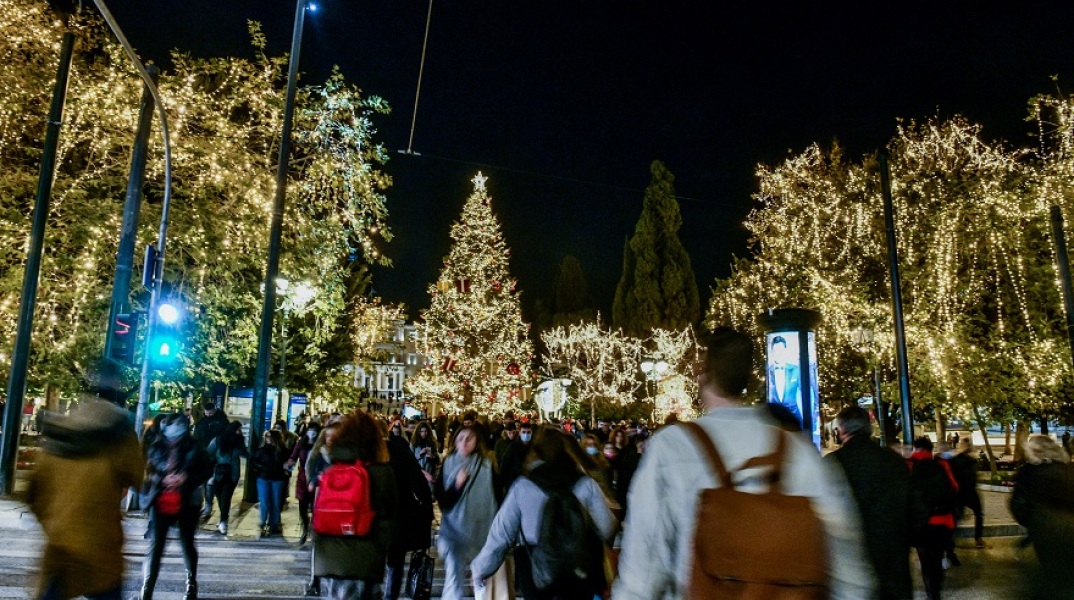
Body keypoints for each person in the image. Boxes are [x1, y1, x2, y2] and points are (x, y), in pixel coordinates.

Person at [614, 327, 873, 599]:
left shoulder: (671, 447)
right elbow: (849, 567)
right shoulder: (799, 451)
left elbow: (642, 567)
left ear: (702, 373)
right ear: (749, 377)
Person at [472, 427, 617, 600]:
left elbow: (501, 534)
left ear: (535, 452)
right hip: (578, 565)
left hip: (534, 567)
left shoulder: (523, 486)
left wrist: (480, 569)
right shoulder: (585, 484)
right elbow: (607, 527)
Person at [28, 399, 144, 600]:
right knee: (106, 590)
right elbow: (138, 477)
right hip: (100, 547)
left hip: (60, 547)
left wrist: (53, 522)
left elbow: (33, 496)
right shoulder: (114, 450)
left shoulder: (54, 448)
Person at [826, 406, 912, 600]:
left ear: (841, 431)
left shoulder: (833, 464)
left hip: (852, 567)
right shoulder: (894, 461)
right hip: (893, 564)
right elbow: (912, 509)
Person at [312, 411, 397, 599]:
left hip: (328, 561)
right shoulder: (381, 472)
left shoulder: (332, 469)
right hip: (365, 560)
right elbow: (391, 514)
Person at [140, 413, 214, 600]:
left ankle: (191, 584)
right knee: (156, 545)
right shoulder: (157, 445)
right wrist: (162, 478)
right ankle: (147, 588)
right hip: (161, 499)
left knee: (187, 542)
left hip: (188, 500)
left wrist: (186, 477)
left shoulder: (195, 446)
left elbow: (207, 469)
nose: (173, 428)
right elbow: (148, 472)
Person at [436, 425, 500, 600]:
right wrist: (457, 485)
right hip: (453, 531)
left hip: (481, 528)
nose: (464, 442)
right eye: (460, 438)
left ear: (477, 441)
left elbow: (497, 496)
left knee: (481, 578)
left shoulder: (487, 465)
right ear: (455, 441)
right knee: (453, 578)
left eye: (469, 438)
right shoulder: (448, 464)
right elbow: (442, 500)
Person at [1010, 435, 1074, 599]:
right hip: (1070, 525)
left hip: (1045, 526)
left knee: (1052, 573)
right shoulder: (1069, 469)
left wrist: (1033, 523)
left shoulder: (1029, 472)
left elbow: (1018, 504)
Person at [383, 420, 435, 600]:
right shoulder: (401, 452)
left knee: (390, 560)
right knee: (394, 561)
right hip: (397, 516)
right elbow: (419, 486)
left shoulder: (366, 454)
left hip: (377, 518)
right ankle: (391, 595)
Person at [907, 436, 958, 600]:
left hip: (919, 524)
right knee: (936, 558)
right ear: (930, 450)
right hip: (942, 521)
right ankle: (935, 590)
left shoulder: (908, 465)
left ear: (915, 449)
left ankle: (931, 592)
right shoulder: (942, 465)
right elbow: (954, 487)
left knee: (925, 560)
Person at [946, 436, 985, 562]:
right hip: (969, 492)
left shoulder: (953, 460)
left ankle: (950, 544)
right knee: (978, 514)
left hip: (959, 493)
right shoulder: (971, 461)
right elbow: (973, 478)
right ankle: (978, 538)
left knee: (956, 518)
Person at [206, 420, 247, 535]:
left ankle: (223, 521)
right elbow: (208, 453)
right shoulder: (218, 440)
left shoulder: (239, 441)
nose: (240, 432)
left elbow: (244, 453)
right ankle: (223, 518)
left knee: (226, 496)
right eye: (238, 429)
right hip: (219, 472)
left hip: (232, 474)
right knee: (220, 496)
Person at [192, 400, 228, 521]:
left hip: (215, 458)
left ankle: (209, 507)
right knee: (204, 483)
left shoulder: (221, 421)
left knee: (210, 484)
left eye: (209, 413)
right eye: (206, 413)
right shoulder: (203, 422)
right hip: (204, 457)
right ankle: (206, 506)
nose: (208, 415)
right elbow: (196, 437)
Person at [287, 421, 321, 544]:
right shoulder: (301, 444)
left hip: (316, 479)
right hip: (302, 478)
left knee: (315, 506)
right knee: (302, 505)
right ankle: (305, 529)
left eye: (314, 430)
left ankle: (314, 529)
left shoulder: (320, 445)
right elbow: (293, 456)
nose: (311, 432)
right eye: (310, 430)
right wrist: (289, 463)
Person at [253, 429, 290, 537]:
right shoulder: (262, 450)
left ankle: (274, 523)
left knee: (276, 501)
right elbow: (254, 462)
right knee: (264, 501)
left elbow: (288, 463)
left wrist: (285, 470)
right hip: (264, 477)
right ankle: (263, 522)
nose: (268, 438)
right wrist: (263, 469)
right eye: (267, 436)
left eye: (270, 436)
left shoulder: (283, 450)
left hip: (277, 478)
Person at [766, 334, 802, 425]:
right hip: (774, 420)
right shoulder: (768, 372)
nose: (779, 354)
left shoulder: (795, 369)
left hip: (794, 418)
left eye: (781, 350)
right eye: (776, 351)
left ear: (785, 350)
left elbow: (805, 392)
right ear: (772, 352)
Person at [500, 420, 534, 493]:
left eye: (528, 432)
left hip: (530, 485)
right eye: (523, 432)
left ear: (532, 433)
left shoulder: (534, 449)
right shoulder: (513, 447)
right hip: (514, 484)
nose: (526, 434)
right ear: (519, 433)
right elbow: (504, 465)